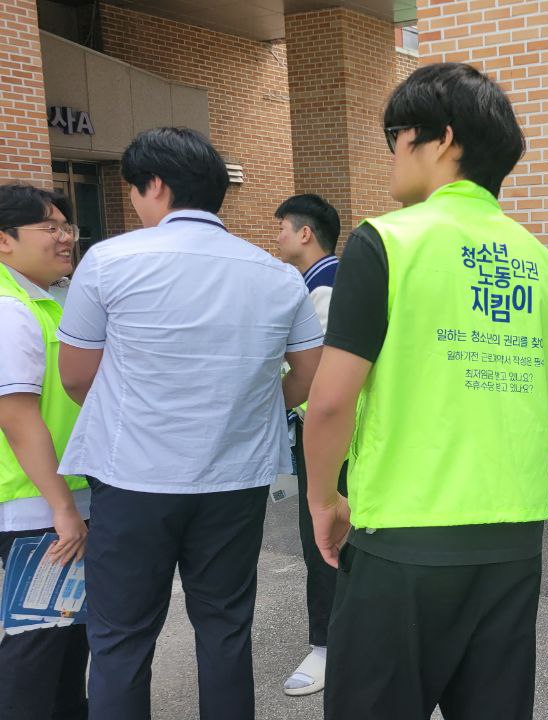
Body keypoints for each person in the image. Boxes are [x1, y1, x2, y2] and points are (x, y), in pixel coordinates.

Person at [303, 63, 548, 720]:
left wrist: (323, 499)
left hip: (404, 543)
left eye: (397, 136)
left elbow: (331, 401)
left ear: (442, 139)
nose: (392, 154)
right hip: (513, 540)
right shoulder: (545, 266)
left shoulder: (385, 243)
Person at [56, 127, 323, 720]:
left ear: (156, 185)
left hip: (131, 479)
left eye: (133, 190)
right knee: (225, 633)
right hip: (234, 480)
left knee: (121, 637)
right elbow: (309, 373)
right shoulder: (276, 275)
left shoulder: (109, 261)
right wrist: (249, 410)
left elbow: (76, 376)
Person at [0, 184, 90, 720]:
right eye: (49, 228)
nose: (64, 239)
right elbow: (15, 415)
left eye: (67, 227)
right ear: (4, 240)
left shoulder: (41, 300)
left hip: (53, 505)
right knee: (37, 647)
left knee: (63, 642)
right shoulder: (10, 310)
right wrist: (62, 509)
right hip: (39, 511)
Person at [273, 193, 343, 696]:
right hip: (326, 430)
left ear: (304, 233)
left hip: (330, 435)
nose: (274, 237)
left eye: (281, 228)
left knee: (323, 536)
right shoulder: (312, 283)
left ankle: (327, 648)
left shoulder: (327, 285)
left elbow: (318, 376)